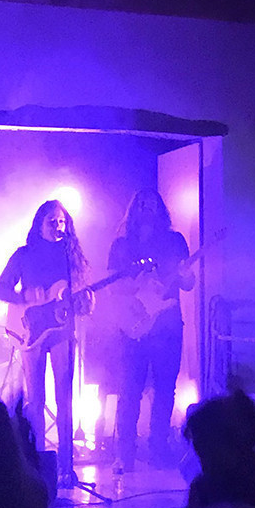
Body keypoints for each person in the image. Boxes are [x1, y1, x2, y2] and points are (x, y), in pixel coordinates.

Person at [0, 199, 91, 488]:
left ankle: (66, 467)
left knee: (66, 399)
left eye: (62, 222)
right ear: (39, 224)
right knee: (36, 400)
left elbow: (81, 294)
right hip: (31, 331)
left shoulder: (71, 256)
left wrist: (86, 301)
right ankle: (35, 464)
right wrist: (25, 297)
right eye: (52, 221)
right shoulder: (24, 255)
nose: (58, 226)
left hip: (62, 330)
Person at [107, 188, 194, 471]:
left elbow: (188, 283)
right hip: (133, 325)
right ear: (133, 210)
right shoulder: (122, 245)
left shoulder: (174, 241)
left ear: (160, 209)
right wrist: (135, 288)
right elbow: (112, 285)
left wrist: (185, 275)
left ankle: (158, 449)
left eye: (152, 204)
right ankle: (125, 453)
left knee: (165, 390)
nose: (147, 208)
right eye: (141, 204)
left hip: (167, 326)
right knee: (129, 391)